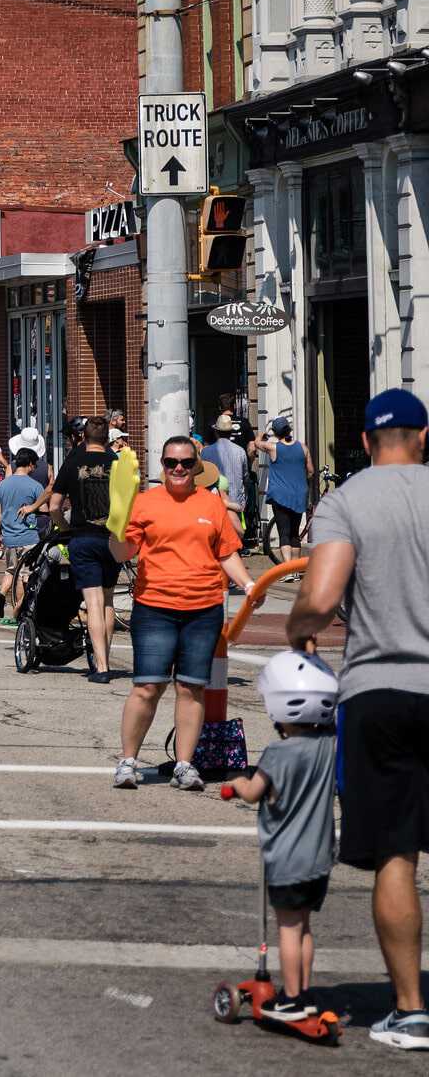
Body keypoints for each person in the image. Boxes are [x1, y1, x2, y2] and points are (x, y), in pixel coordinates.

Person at [286, 388, 429, 1050]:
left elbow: (319, 598)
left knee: (396, 852)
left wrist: (298, 629)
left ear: (368, 441)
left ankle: (408, 1006)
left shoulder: (346, 501)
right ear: (423, 436)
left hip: (379, 689)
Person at [109, 435, 256, 791]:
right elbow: (121, 553)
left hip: (203, 609)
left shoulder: (212, 504)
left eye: (186, 463)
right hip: (155, 606)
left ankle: (185, 764)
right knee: (148, 685)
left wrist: (250, 585)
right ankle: (128, 761)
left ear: (196, 468)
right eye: (171, 462)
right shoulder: (144, 503)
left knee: (192, 689)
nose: (178, 469)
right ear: (162, 465)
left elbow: (226, 553)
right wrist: (115, 524)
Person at [220, 651, 340, 1025]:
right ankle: (302, 992)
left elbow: (255, 791)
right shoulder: (328, 746)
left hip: (288, 858)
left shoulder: (277, 752)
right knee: (304, 927)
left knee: (287, 928)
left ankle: (290, 999)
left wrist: (236, 784)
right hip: (320, 856)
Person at [27, 415, 118, 682]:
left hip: (83, 537)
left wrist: (62, 528)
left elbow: (55, 505)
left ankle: (101, 667)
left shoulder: (74, 462)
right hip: (112, 539)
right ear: (106, 438)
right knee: (108, 600)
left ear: (84, 437)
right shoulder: (117, 463)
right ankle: (106, 656)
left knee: (93, 602)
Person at [0, 449, 45, 608]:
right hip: (29, 537)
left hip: (9, 537)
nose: (34, 468)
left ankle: (0, 594)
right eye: (34, 465)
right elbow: (44, 511)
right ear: (30, 464)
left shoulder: (2, 485)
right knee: (25, 575)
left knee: (10, 571)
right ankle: (19, 609)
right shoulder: (35, 486)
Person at [255, 415, 310, 549]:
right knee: (294, 534)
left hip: (280, 495)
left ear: (275, 432)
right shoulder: (303, 447)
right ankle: (295, 569)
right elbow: (311, 471)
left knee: (284, 534)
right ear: (289, 430)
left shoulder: (273, 448)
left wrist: (260, 435)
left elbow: (256, 444)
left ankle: (287, 568)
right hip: (298, 494)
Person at [201, 412, 250, 529]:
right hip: (235, 503)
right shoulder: (240, 451)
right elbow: (245, 477)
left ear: (216, 432)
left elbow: (202, 478)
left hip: (213, 502)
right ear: (231, 432)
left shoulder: (206, 452)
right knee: (235, 538)